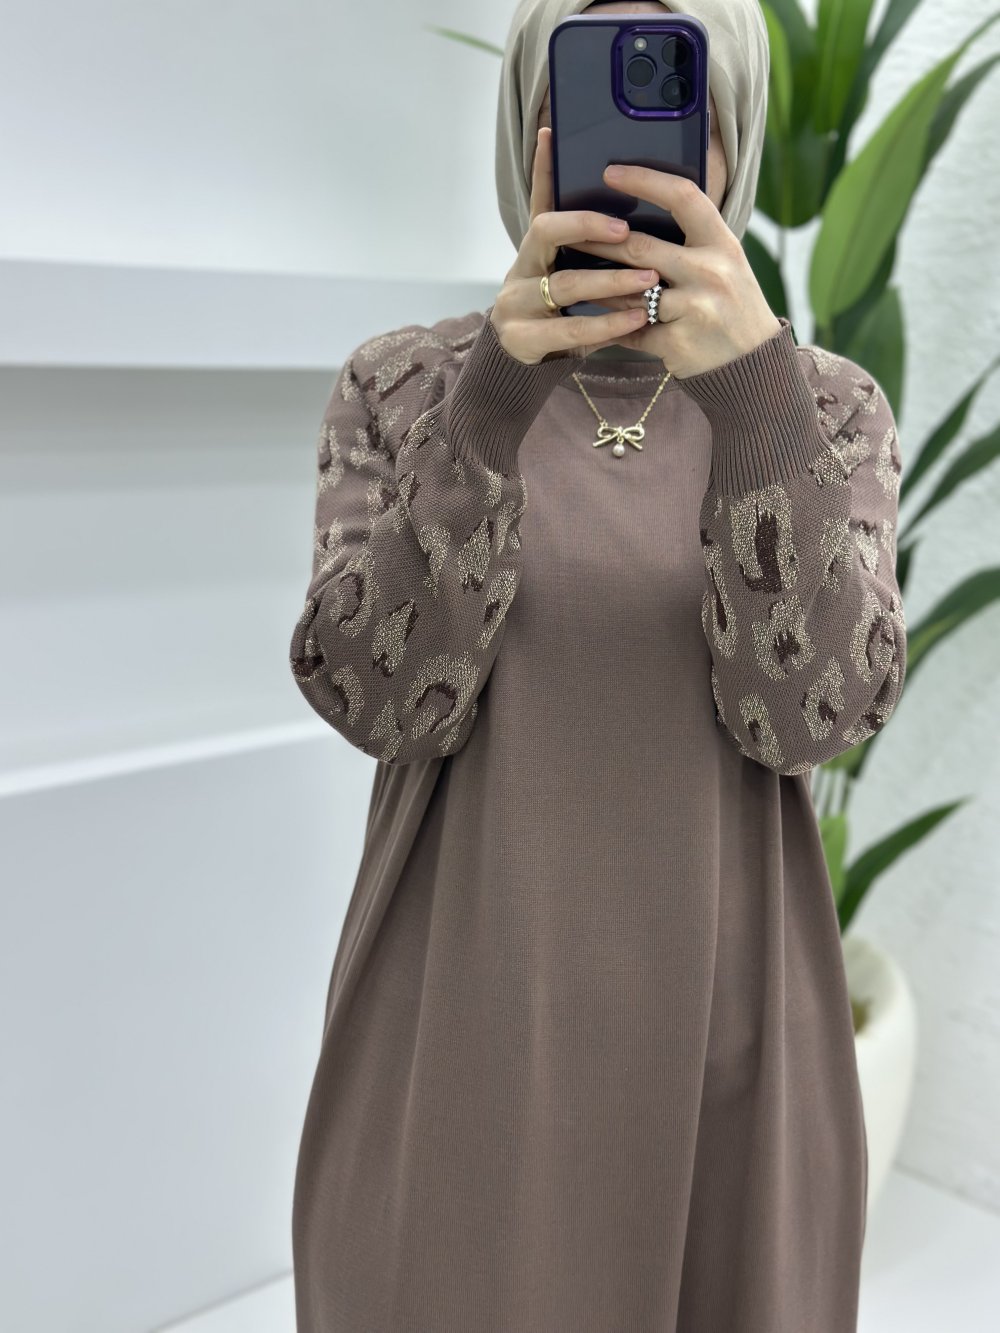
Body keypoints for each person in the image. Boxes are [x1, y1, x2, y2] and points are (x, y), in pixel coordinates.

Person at [288, 0, 907, 1328]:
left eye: (673, 104)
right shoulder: (404, 384)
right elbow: (377, 696)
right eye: (582, 103)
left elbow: (815, 713)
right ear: (527, 131)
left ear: (729, 138)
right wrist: (493, 402)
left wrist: (753, 404)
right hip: (462, 1011)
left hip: (731, 1025)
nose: (628, 155)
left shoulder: (825, 406)